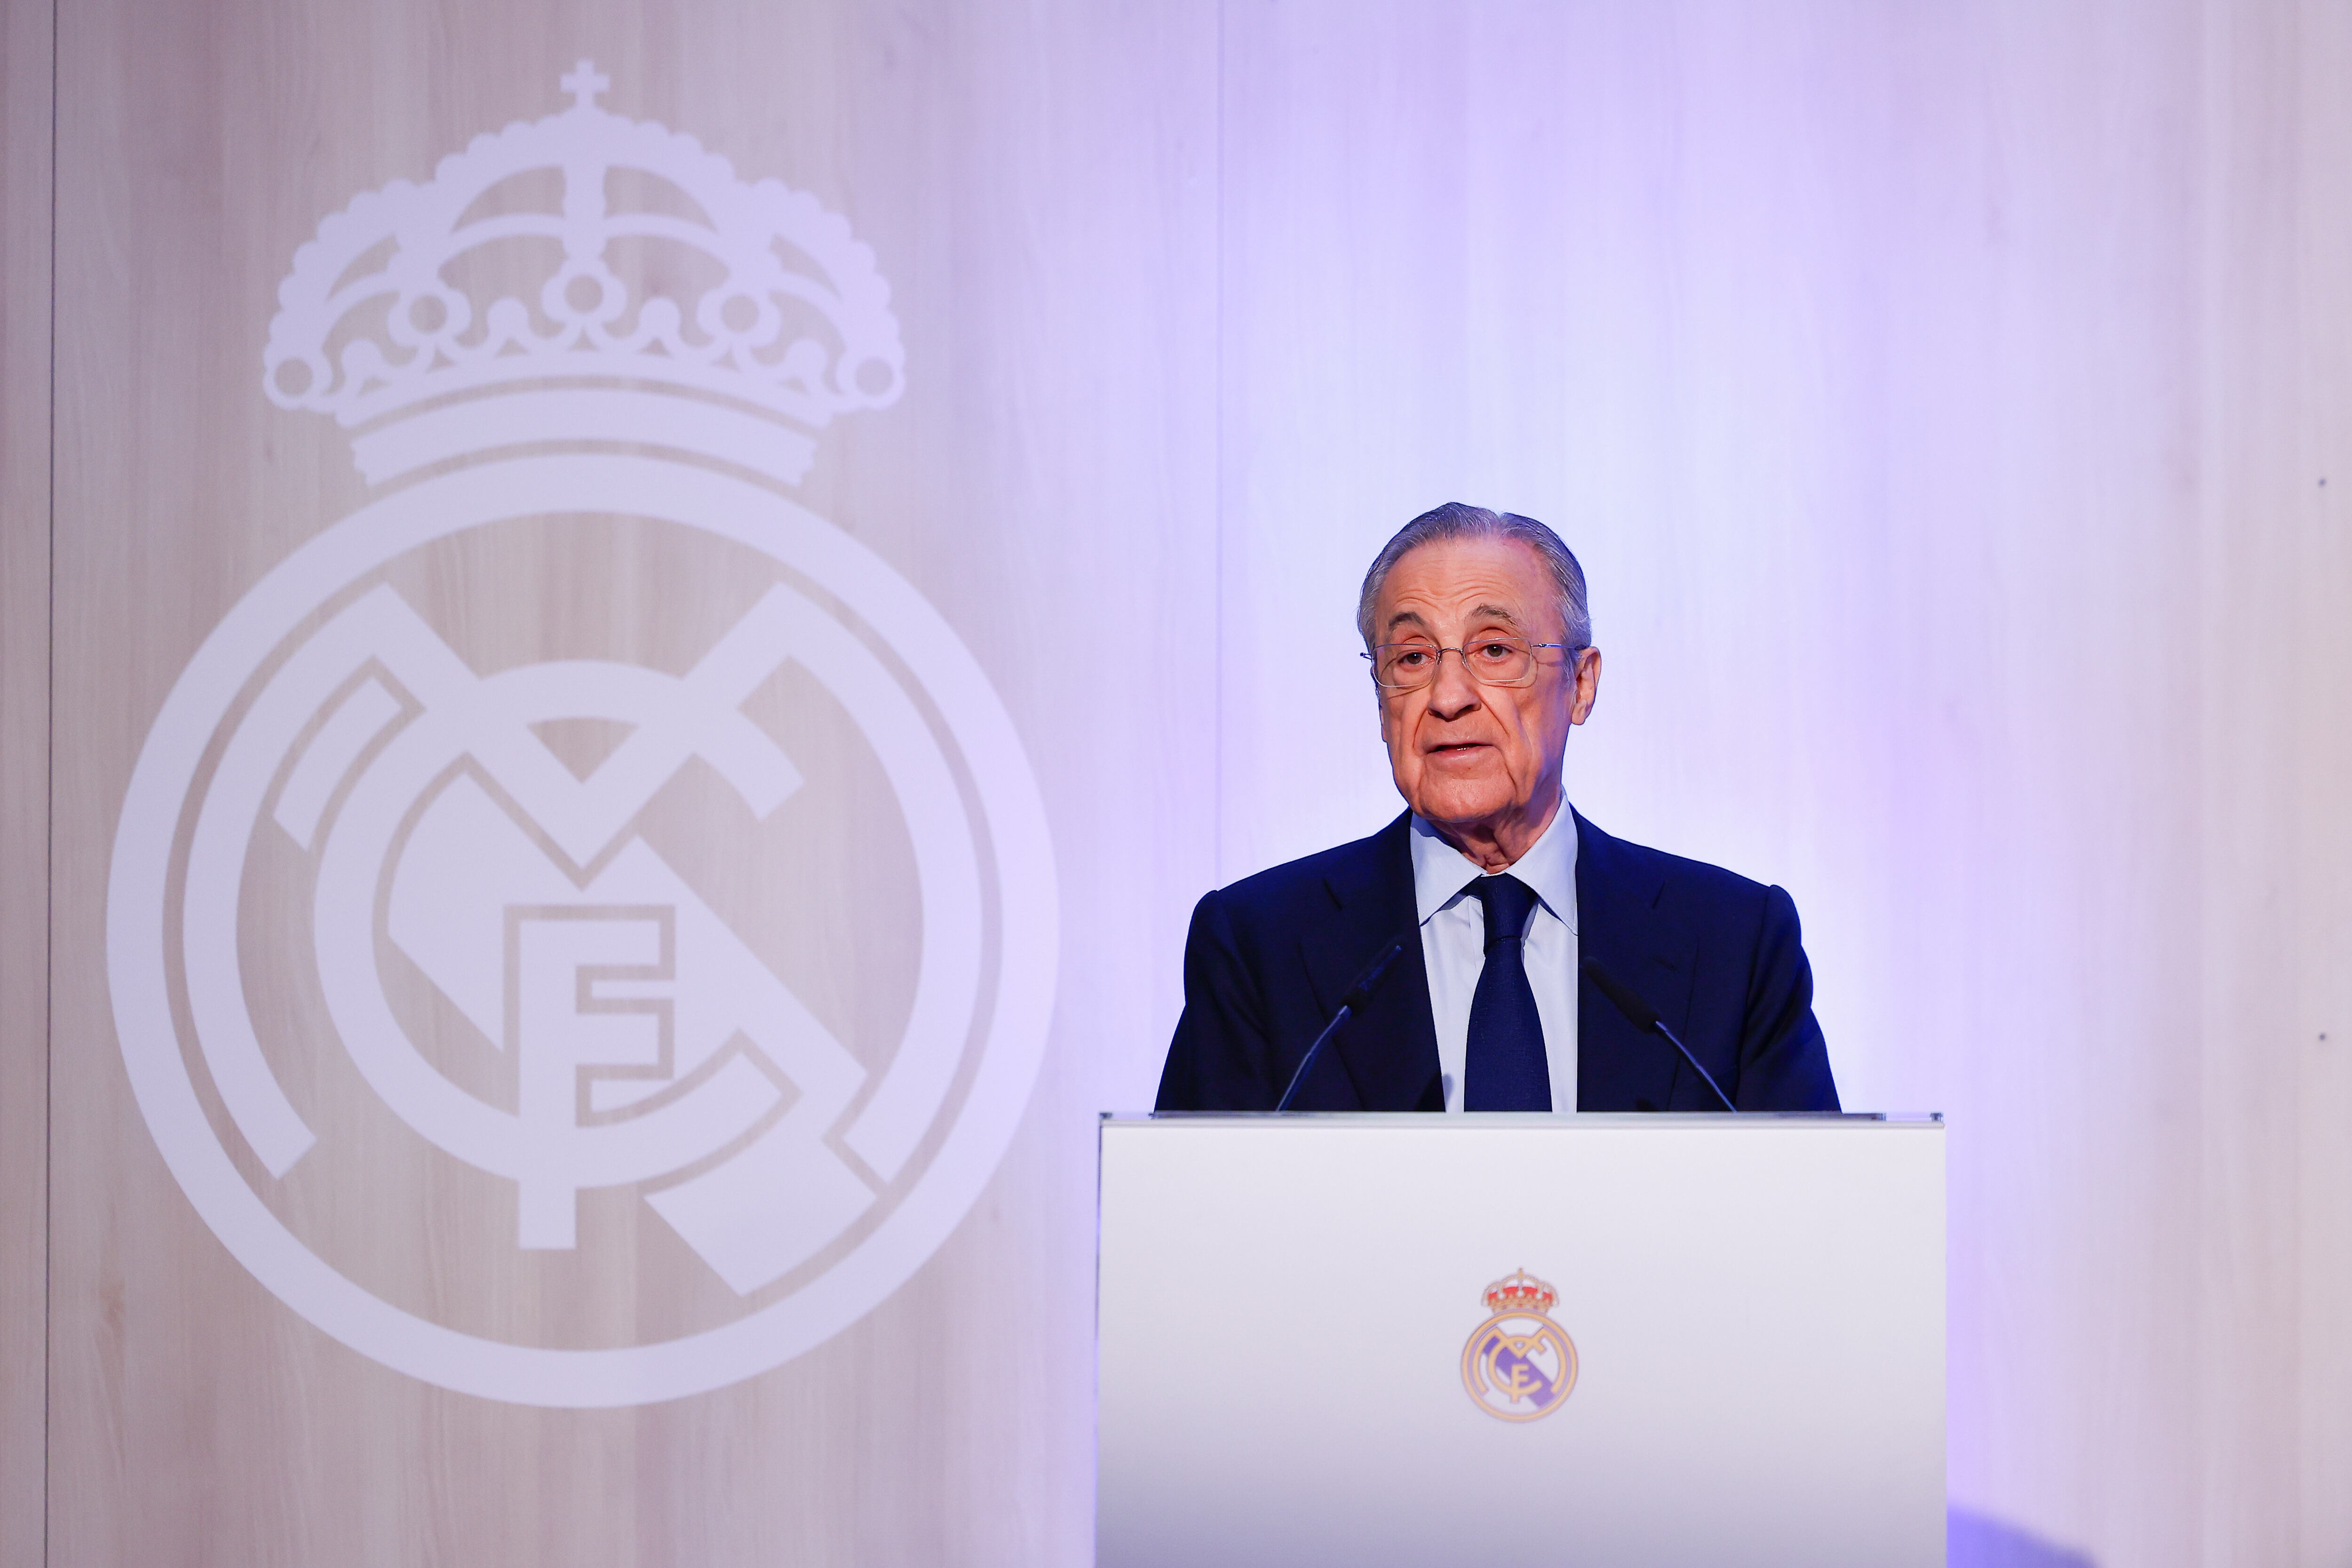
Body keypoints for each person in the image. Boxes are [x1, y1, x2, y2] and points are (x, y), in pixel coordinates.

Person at [1155, 503, 1840, 1113]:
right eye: (1414, 657)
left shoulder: (1735, 945)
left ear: (1580, 683)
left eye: (1493, 650)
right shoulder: (1257, 949)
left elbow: (1815, 1223)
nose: (1449, 695)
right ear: (1381, 696)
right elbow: (1190, 1230)